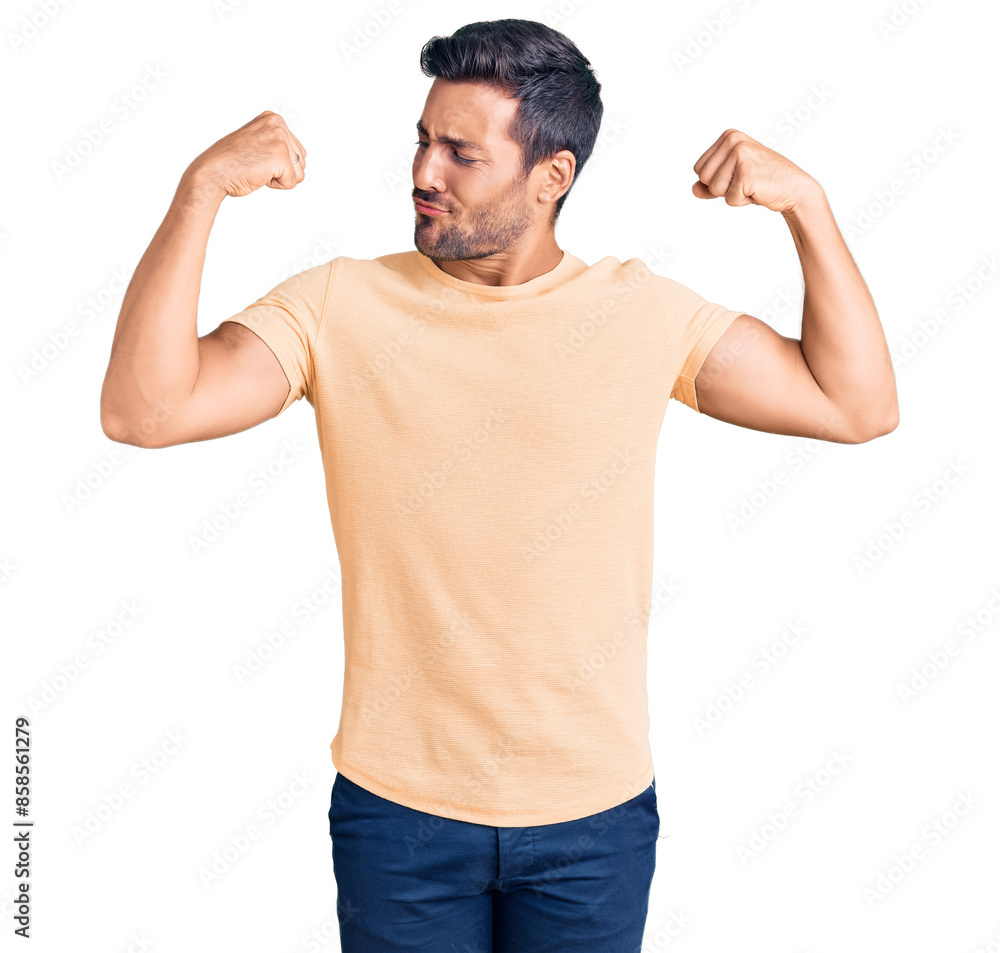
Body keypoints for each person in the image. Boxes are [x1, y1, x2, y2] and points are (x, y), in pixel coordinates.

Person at [99, 17, 898, 953]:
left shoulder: (641, 312)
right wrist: (199, 194)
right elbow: (143, 413)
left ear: (550, 175)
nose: (423, 172)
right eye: (422, 140)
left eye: (460, 154)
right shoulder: (338, 304)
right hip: (399, 815)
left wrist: (808, 204)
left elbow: (856, 405)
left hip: (591, 821)